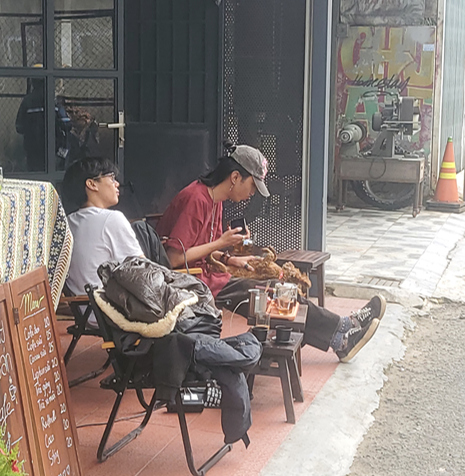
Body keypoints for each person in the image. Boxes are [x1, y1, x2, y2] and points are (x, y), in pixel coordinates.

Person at [156, 142, 387, 362]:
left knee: (279, 290)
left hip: (207, 276)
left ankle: (340, 335)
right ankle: (342, 331)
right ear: (235, 177)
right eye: (252, 186)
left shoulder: (215, 200)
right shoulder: (196, 199)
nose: (252, 193)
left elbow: (200, 249)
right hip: (189, 283)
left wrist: (230, 258)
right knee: (272, 294)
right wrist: (220, 243)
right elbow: (173, 258)